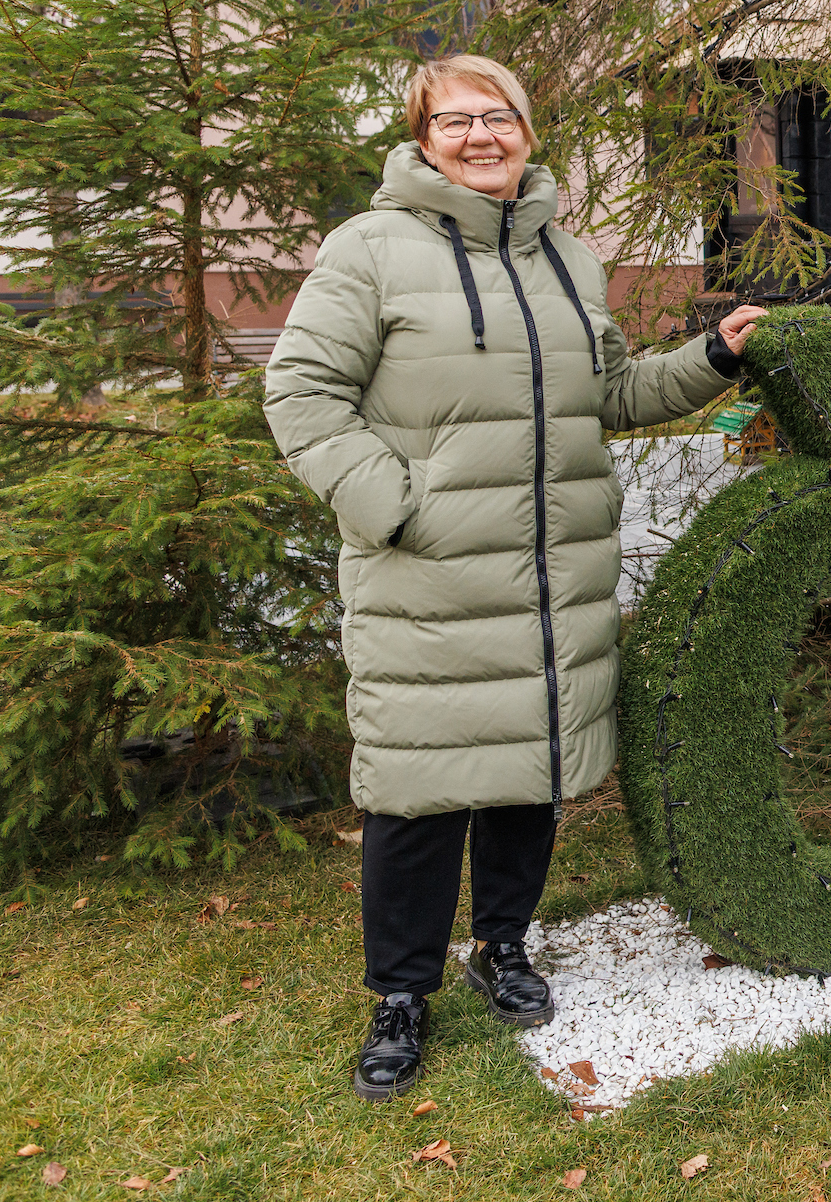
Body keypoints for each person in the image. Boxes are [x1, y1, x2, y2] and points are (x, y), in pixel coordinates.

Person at [265, 55, 762, 1100]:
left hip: (549, 578)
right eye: (458, 120)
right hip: (430, 578)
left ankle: (504, 941)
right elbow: (302, 392)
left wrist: (713, 356)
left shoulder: (569, 261)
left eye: (501, 117)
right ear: (421, 134)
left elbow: (614, 394)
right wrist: (395, 506)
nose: (482, 135)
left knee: (529, 769)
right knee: (418, 790)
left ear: (529, 133)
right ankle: (400, 994)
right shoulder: (371, 251)